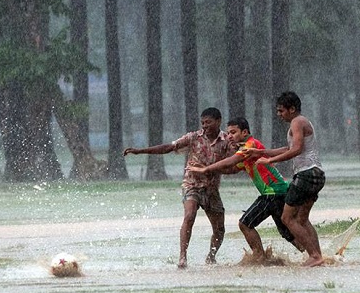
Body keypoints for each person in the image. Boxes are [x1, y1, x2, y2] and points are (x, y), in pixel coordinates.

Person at [123, 108, 232, 269]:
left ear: (218, 121)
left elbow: (234, 163)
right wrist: (141, 151)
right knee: (189, 216)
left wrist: (212, 168)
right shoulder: (194, 137)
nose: (205, 126)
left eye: (208, 122)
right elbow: (169, 147)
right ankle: (182, 257)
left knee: (219, 229)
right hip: (191, 185)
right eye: (203, 123)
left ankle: (211, 256)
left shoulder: (226, 141)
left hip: (211, 189)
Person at [186, 117, 303, 263]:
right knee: (287, 232)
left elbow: (232, 161)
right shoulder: (246, 151)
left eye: (233, 132)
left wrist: (206, 169)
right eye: (228, 133)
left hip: (272, 193)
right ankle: (312, 254)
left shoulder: (250, 145)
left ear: (245, 132)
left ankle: (259, 257)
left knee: (245, 224)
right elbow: (234, 168)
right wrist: (211, 170)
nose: (229, 136)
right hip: (278, 192)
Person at [243, 91, 325, 267]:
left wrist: (269, 161)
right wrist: (260, 152)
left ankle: (315, 255)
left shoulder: (297, 122)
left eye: (281, 111)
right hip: (316, 174)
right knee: (302, 219)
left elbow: (296, 150)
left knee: (287, 218)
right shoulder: (301, 123)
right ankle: (318, 255)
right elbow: (287, 148)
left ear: (292, 109)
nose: (279, 115)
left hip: (306, 174)